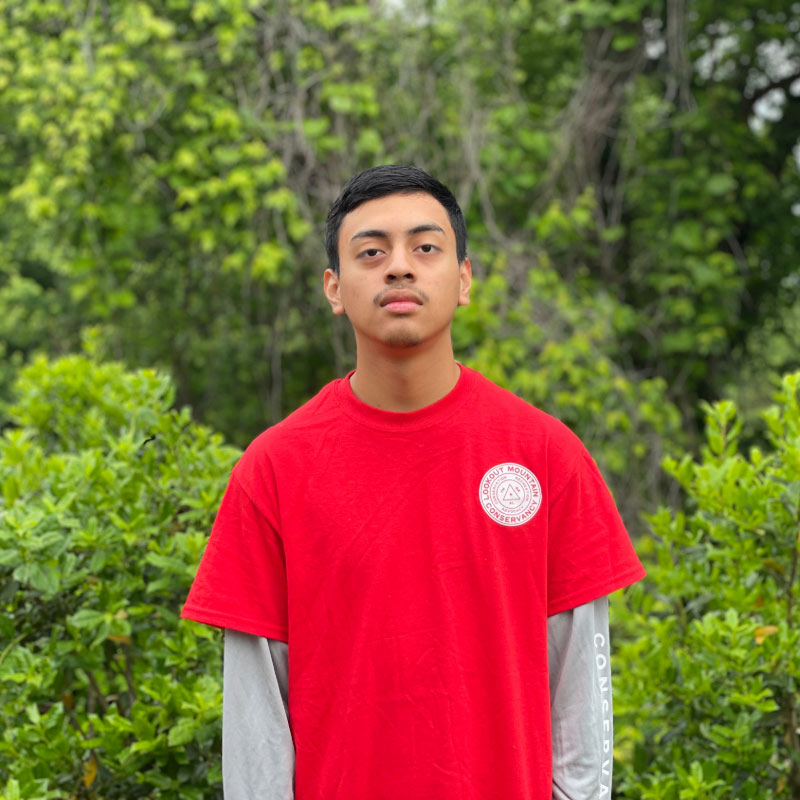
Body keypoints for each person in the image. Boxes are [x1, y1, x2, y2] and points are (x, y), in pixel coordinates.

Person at [181, 164, 646, 799]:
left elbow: (580, 706)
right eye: (371, 253)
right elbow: (256, 717)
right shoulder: (275, 471)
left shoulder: (545, 455)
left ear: (463, 280)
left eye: (425, 248)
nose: (399, 267)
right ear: (334, 287)